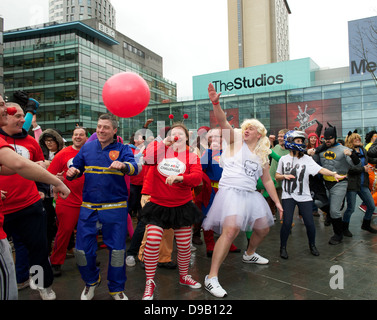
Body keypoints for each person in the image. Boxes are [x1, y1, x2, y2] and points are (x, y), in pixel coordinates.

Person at [203, 83, 283, 298]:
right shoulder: (234, 141)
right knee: (231, 231)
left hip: (250, 195)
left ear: (260, 134)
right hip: (230, 193)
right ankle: (211, 278)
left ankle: (250, 254)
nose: (246, 129)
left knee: (263, 229)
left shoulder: (262, 154)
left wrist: (276, 202)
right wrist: (216, 103)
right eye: (245, 127)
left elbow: (266, 180)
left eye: (251, 128)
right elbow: (221, 121)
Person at [0, 95, 70, 300]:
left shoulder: (30, 141)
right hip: (4, 209)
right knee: (13, 251)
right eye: (17, 115)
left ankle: (42, 285)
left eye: (25, 116)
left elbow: (40, 165)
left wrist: (42, 183)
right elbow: (17, 166)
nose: (23, 120)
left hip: (29, 205)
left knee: (38, 248)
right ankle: (18, 280)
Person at [66, 113, 138, 300]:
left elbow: (135, 168)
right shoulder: (87, 147)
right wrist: (72, 172)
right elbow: (75, 168)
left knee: (117, 252)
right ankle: (91, 282)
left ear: (114, 130)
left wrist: (123, 166)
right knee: (81, 251)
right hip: (89, 208)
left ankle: (116, 289)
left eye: (105, 127)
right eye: (99, 126)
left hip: (116, 208)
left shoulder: (123, 149)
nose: (101, 130)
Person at [140, 122, 203, 300]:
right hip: (158, 205)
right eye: (173, 133)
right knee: (152, 240)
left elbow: (197, 177)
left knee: (184, 245)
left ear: (186, 138)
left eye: (180, 133)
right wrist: (163, 143)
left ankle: (184, 276)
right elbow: (147, 159)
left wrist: (180, 178)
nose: (176, 136)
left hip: (182, 206)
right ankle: (149, 283)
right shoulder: (159, 151)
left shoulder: (191, 156)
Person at [276, 130, 345, 259]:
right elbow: (277, 176)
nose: (301, 143)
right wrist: (284, 176)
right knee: (286, 223)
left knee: (309, 223)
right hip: (288, 196)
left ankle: (312, 245)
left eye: (302, 141)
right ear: (290, 141)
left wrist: (333, 174)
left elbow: (320, 169)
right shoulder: (283, 160)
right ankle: (283, 247)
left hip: (304, 196)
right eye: (298, 141)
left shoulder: (307, 159)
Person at [47, 126, 88, 276]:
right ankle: (56, 262)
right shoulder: (63, 154)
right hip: (68, 201)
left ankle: (85, 259)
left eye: (81, 135)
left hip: (88, 201)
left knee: (87, 233)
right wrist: (58, 180)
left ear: (86, 137)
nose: (77, 137)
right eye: (75, 134)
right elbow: (49, 174)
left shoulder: (90, 153)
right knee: (64, 233)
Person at [310, 124, 360, 245]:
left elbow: (356, 165)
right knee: (318, 202)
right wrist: (310, 152)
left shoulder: (343, 150)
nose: (328, 141)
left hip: (340, 182)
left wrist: (352, 155)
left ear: (335, 137)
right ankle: (333, 217)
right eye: (326, 139)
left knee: (335, 211)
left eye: (330, 139)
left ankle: (338, 234)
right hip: (324, 182)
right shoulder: (321, 149)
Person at [200, 128, 240, 257]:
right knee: (208, 215)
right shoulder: (207, 151)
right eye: (211, 137)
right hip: (211, 189)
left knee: (228, 216)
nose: (214, 139)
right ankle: (210, 244)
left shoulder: (230, 151)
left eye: (217, 136)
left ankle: (228, 242)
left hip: (227, 188)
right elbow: (201, 166)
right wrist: (209, 150)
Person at [342, 131, 377, 235]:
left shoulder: (363, 150)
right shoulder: (347, 152)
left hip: (363, 184)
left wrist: (372, 164)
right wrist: (363, 169)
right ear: (350, 141)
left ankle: (366, 225)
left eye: (358, 139)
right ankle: (344, 228)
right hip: (352, 184)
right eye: (355, 139)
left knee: (371, 206)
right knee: (350, 208)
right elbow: (349, 169)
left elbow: (371, 159)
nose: (358, 140)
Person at [38, 128, 65, 253]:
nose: (49, 143)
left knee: (62, 222)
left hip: (61, 194)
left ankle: (66, 246)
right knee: (47, 223)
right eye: (46, 141)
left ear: (57, 141)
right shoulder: (40, 155)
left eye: (51, 140)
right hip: (46, 194)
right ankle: (47, 249)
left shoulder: (63, 153)